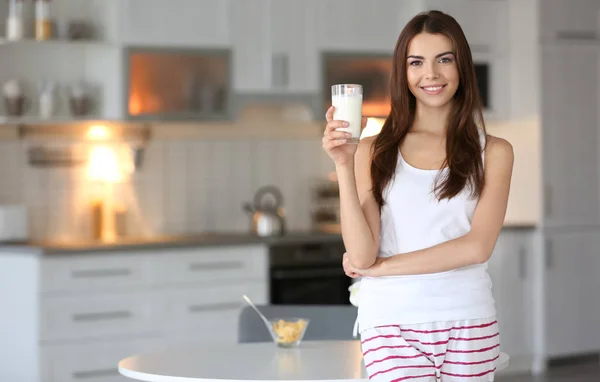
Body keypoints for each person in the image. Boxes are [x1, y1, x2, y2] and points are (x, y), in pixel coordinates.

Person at [322, 10, 514, 382]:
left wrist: (381, 269)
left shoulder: (495, 152)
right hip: (391, 322)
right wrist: (343, 165)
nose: (431, 74)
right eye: (416, 62)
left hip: (468, 317)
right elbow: (361, 254)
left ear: (462, 67)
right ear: (403, 72)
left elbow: (476, 248)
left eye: (444, 59)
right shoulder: (374, 150)